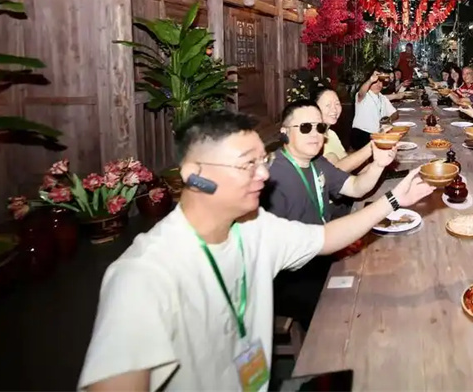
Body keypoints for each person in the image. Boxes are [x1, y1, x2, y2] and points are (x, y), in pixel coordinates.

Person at [78, 109, 434, 391]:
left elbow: (326, 237)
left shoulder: (253, 229)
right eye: (247, 164)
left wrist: (395, 199)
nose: (263, 175)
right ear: (194, 175)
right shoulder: (144, 276)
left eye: (262, 161)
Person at [264, 99, 397, 328]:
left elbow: (355, 187)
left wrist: (378, 164)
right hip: (292, 276)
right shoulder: (272, 176)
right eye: (305, 127)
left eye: (320, 127)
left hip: (323, 252)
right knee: (359, 304)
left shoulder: (317, 162)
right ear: (284, 132)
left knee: (388, 268)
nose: (315, 134)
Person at [314, 87, 373, 172]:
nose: (334, 109)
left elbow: (345, 160)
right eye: (328, 105)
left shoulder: (331, 134)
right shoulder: (312, 137)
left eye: (337, 104)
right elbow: (337, 170)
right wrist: (373, 146)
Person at [351, 70, 401, 149]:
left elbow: (395, 114)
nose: (378, 84)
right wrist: (370, 80)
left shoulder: (382, 97)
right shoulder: (363, 96)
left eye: (380, 82)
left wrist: (389, 119)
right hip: (362, 135)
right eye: (375, 82)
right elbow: (361, 92)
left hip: (377, 135)